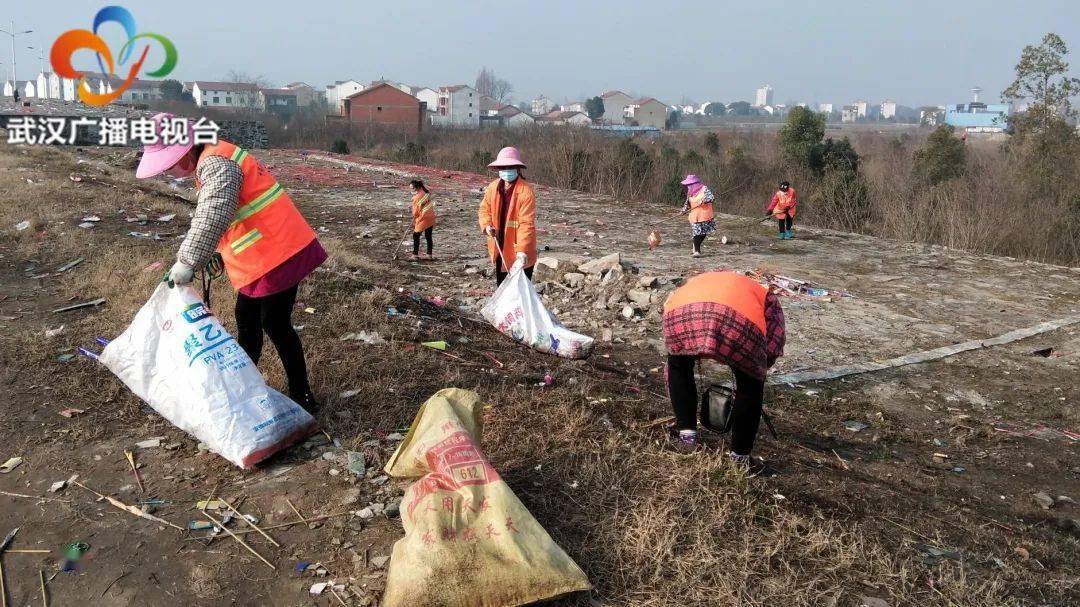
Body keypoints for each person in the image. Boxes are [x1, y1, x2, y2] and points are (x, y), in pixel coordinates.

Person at [137, 113, 326, 414]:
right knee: (251, 321)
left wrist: (188, 260)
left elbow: (213, 214)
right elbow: (230, 214)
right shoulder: (214, 157)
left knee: (272, 324)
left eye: (169, 163)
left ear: (184, 150)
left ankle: (298, 396)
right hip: (268, 253)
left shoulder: (215, 163)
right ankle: (242, 388)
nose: (170, 171)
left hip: (276, 253)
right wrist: (215, 253)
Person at [662, 271, 785, 467]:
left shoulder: (699, 280)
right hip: (737, 321)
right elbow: (774, 344)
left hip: (680, 311)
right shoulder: (766, 295)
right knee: (751, 384)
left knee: (678, 365)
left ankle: (686, 437)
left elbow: (670, 308)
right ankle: (739, 457)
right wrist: (754, 370)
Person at [478, 146, 536, 286]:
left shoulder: (526, 192)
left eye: (510, 167)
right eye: (503, 167)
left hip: (519, 249)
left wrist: (522, 250)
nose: (506, 170)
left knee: (519, 290)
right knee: (502, 287)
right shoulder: (493, 187)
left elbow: (526, 224)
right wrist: (486, 225)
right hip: (499, 245)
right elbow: (484, 209)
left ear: (517, 168)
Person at [679, 174, 715, 257]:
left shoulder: (704, 189)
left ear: (694, 184)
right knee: (696, 233)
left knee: (703, 233)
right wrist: (683, 211)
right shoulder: (690, 193)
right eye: (688, 185)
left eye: (690, 185)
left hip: (705, 215)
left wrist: (704, 201)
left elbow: (711, 198)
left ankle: (695, 247)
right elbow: (687, 203)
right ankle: (697, 251)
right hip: (695, 216)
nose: (688, 186)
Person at [409, 179, 435, 260]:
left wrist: (414, 215)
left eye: (412, 188)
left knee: (416, 235)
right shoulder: (426, 193)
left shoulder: (416, 197)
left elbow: (416, 212)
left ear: (417, 187)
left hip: (424, 217)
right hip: (431, 216)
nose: (411, 190)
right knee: (428, 236)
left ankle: (415, 255)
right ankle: (429, 255)